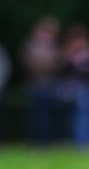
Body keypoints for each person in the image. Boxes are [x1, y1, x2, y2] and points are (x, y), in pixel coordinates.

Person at [20, 16, 62, 145]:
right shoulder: (29, 46)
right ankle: (37, 141)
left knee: (51, 116)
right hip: (36, 86)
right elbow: (30, 65)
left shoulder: (55, 47)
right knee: (37, 116)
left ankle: (49, 141)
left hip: (51, 86)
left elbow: (59, 64)